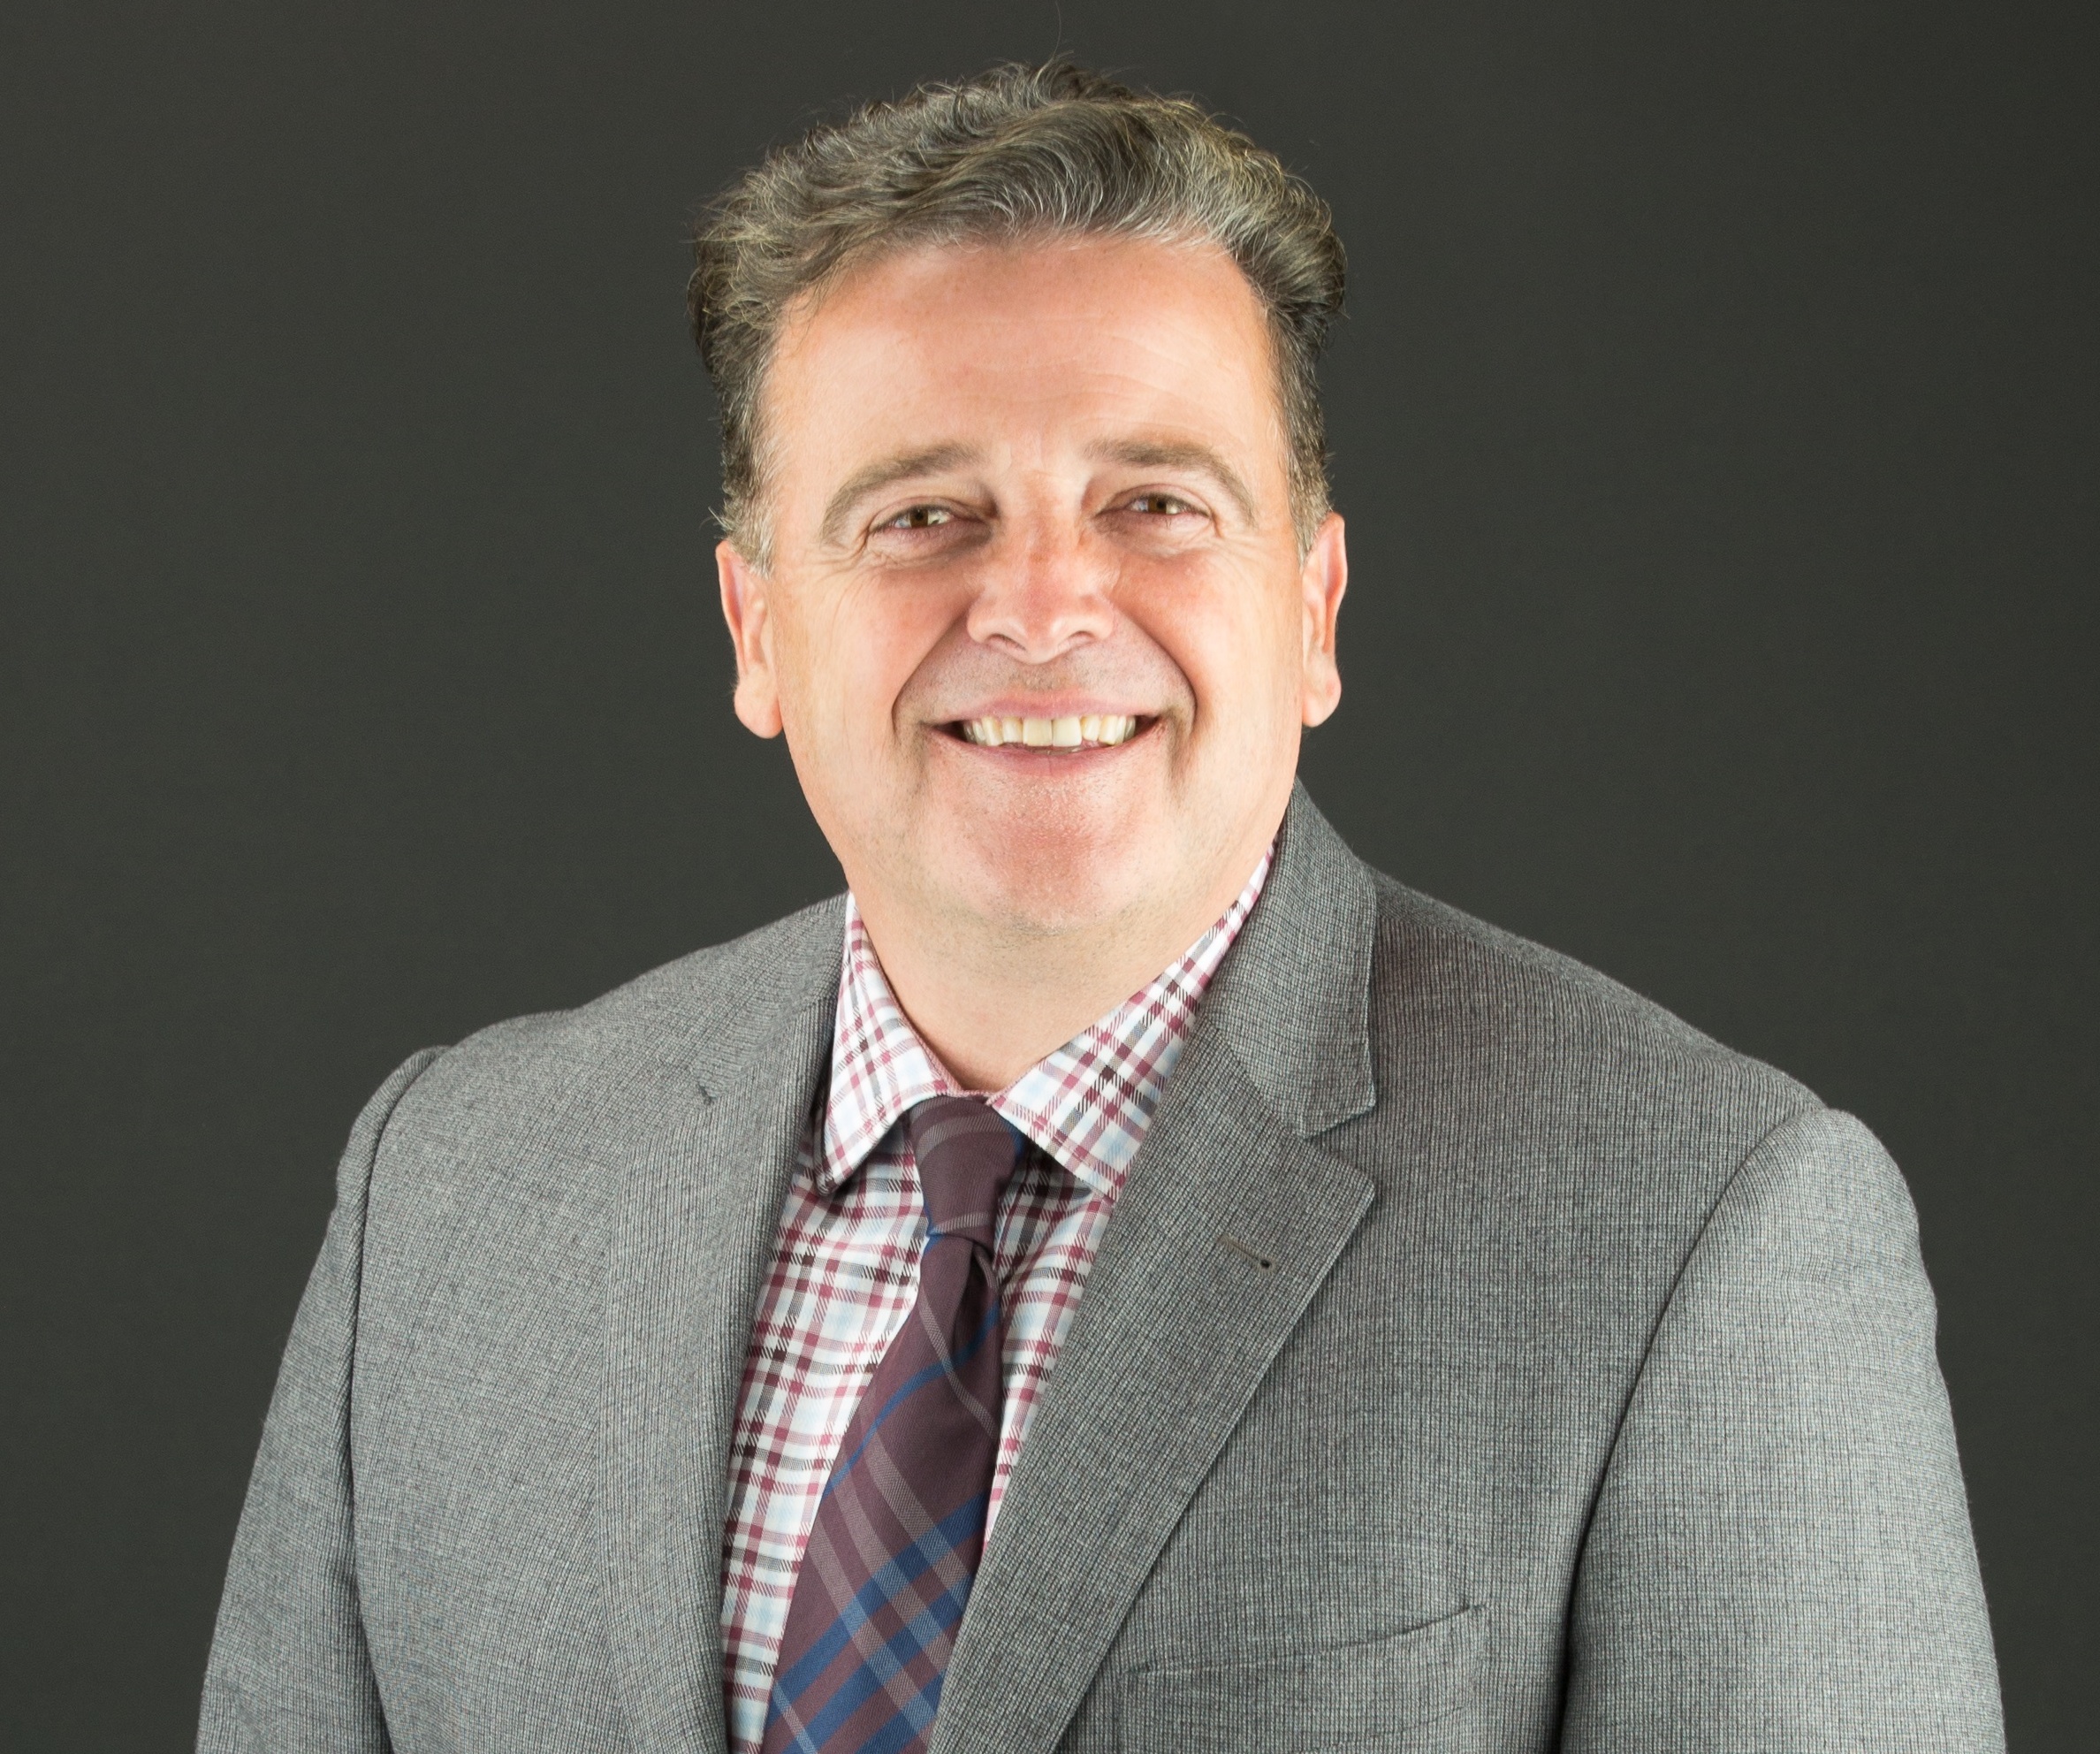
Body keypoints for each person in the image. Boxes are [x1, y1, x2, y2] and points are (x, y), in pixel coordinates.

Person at [199, 61, 2005, 1754]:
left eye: (1152, 500)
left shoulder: (1700, 1231)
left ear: (1311, 605)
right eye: (921, 515)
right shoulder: (449, 1192)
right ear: (757, 629)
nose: (1046, 604)